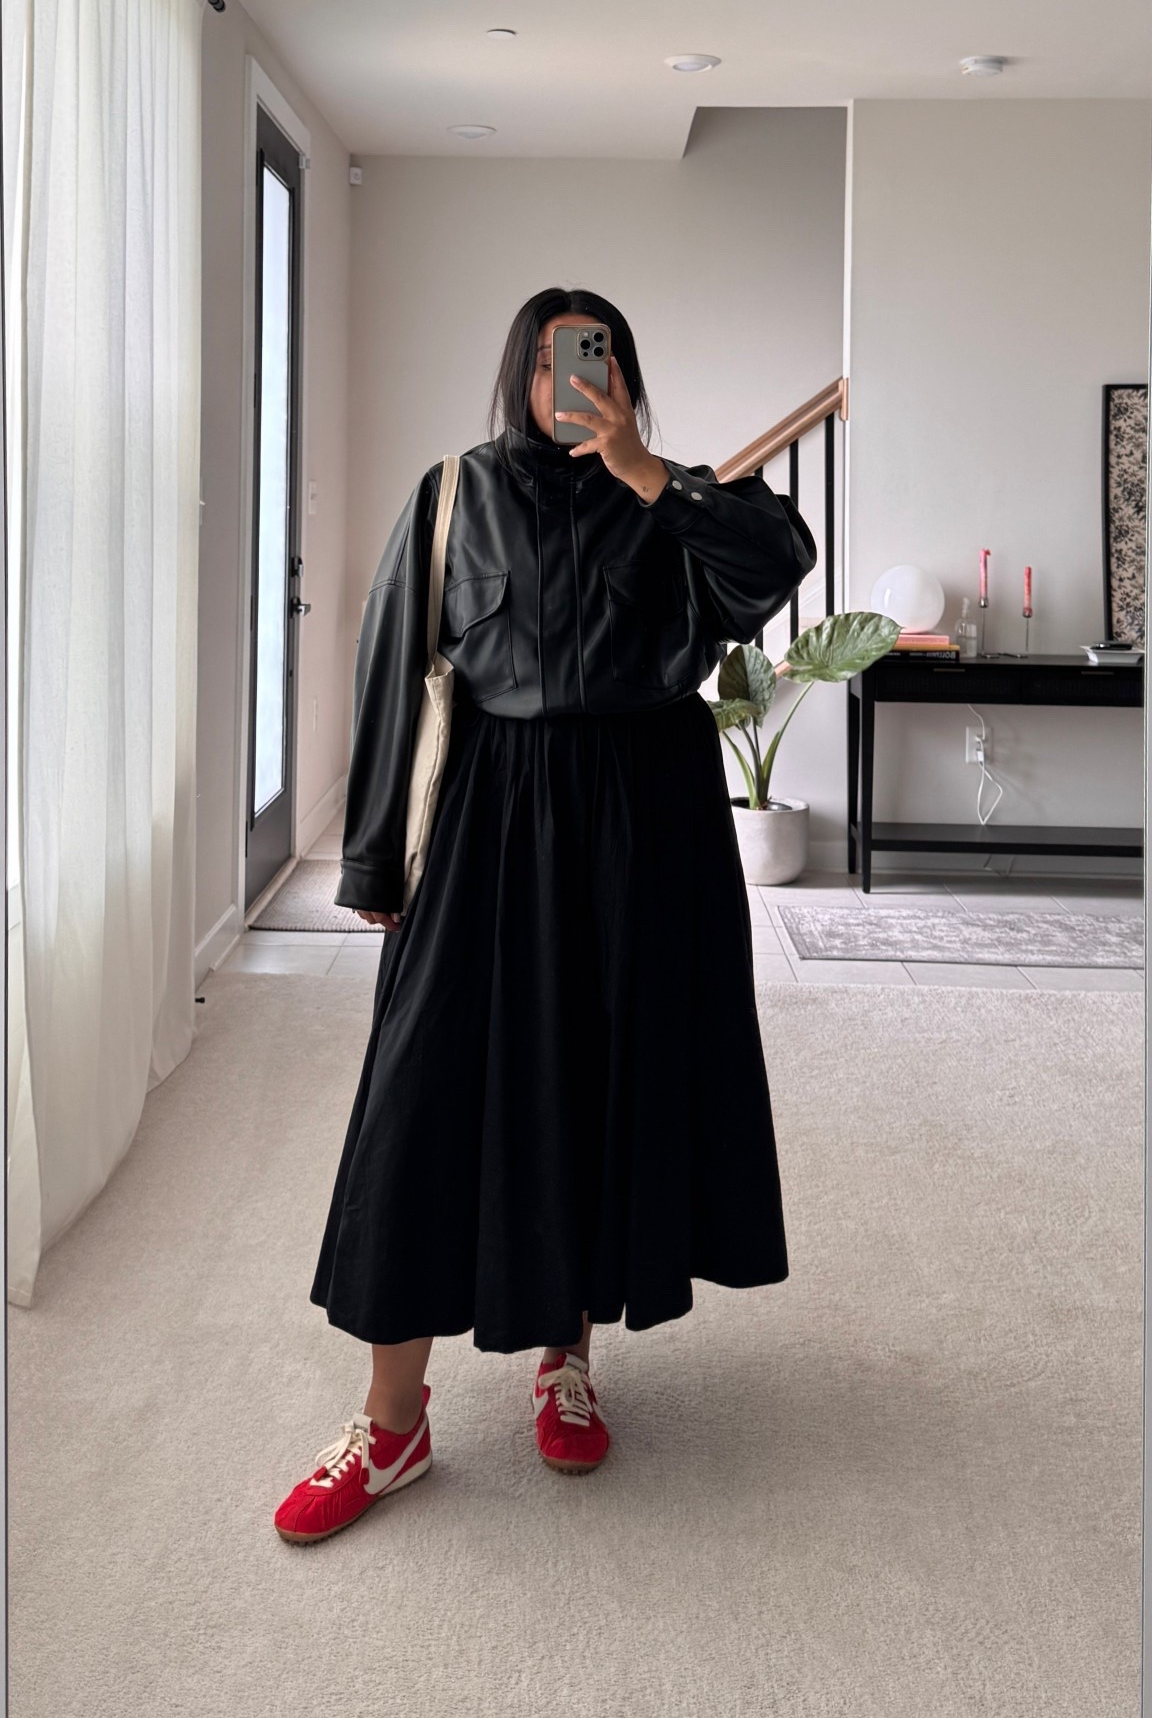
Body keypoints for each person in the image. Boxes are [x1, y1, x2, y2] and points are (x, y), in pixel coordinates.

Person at [273, 288, 818, 1543]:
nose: (575, 378)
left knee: (597, 1086)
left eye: (598, 355)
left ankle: (566, 1357)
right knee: (418, 1104)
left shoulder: (673, 497)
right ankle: (391, 1422)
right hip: (488, 819)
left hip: (646, 826)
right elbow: (393, 670)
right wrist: (373, 862)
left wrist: (644, 472)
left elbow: (777, 566)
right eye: (555, 359)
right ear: (521, 370)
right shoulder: (453, 494)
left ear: (623, 372)